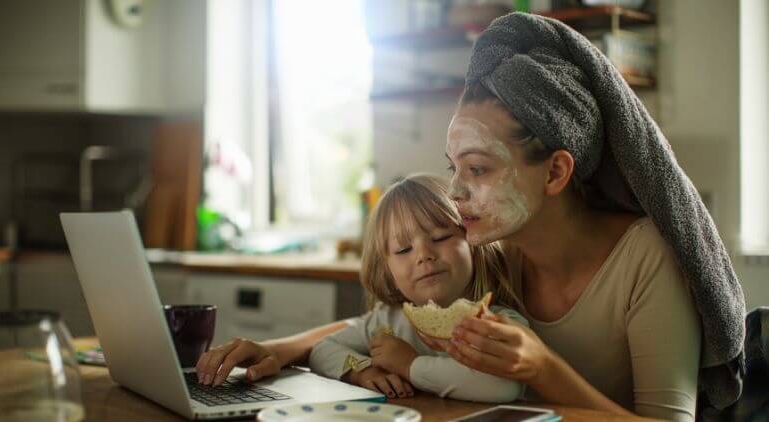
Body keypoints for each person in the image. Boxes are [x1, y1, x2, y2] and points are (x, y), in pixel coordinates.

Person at [196, 12, 745, 422]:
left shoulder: (646, 259)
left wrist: (543, 370)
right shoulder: (492, 253)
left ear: (555, 173)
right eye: (452, 167)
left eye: (478, 168)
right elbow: (374, 323)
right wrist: (280, 348)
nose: (455, 192)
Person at [308, 173, 525, 402]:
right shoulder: (387, 323)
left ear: (472, 243)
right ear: (387, 270)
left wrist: (410, 365)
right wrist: (361, 370)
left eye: (440, 237)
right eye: (403, 250)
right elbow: (323, 349)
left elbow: (502, 386)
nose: (424, 256)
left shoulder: (497, 322)